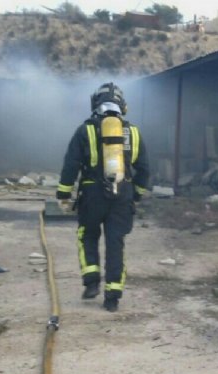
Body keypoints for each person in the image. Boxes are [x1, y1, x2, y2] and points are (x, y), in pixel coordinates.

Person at [56, 82, 149, 312]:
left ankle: (91, 282)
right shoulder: (133, 133)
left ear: (95, 103)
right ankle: (112, 297)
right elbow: (144, 169)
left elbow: (71, 165)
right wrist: (136, 195)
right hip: (122, 194)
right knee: (115, 243)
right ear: (123, 105)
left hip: (92, 194)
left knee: (87, 235)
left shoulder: (85, 130)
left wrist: (64, 194)